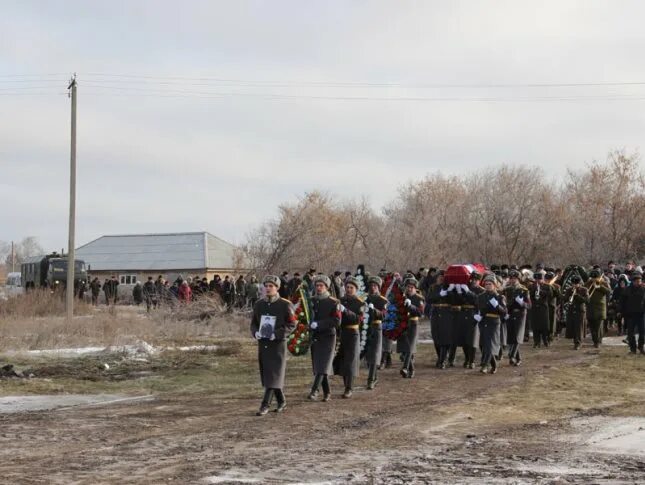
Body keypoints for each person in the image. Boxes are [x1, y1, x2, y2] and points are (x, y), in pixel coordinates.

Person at [250, 275, 297, 416]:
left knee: (273, 375)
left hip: (277, 345)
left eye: (271, 286)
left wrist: (276, 334)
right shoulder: (259, 304)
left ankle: (265, 405)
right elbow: (254, 323)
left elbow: (292, 324)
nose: (268, 288)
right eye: (266, 286)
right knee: (270, 375)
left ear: (277, 288)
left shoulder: (285, 304)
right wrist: (255, 333)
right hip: (264, 344)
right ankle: (281, 400)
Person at [308, 275, 341, 402]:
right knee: (319, 366)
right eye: (317, 285)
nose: (319, 288)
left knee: (323, 365)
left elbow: (337, 321)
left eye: (321, 285)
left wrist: (320, 324)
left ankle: (314, 390)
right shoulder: (311, 301)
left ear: (326, 287)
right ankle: (327, 392)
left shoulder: (334, 302)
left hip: (328, 337)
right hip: (316, 337)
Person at [337, 276, 365, 397]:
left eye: (351, 288)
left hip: (353, 333)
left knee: (351, 361)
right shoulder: (340, 300)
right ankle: (346, 386)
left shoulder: (360, 303)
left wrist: (345, 311)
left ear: (356, 289)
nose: (348, 289)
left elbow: (358, 319)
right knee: (343, 360)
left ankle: (349, 388)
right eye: (347, 287)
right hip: (342, 333)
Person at [474, 274, 507, 374]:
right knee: (483, 345)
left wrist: (497, 306)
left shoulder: (499, 297)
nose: (488, 286)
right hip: (483, 322)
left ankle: (484, 365)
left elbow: (504, 312)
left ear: (495, 285)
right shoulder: (480, 296)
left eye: (490, 284)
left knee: (489, 345)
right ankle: (494, 364)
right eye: (486, 284)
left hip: (494, 322)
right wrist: (477, 316)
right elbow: (477, 308)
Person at [502, 270, 531, 366]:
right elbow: (505, 302)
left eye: (515, 278)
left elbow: (529, 305)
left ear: (518, 279)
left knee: (517, 336)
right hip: (510, 314)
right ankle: (518, 358)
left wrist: (522, 303)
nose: (513, 280)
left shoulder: (524, 290)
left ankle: (511, 355)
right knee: (511, 336)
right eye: (511, 278)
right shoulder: (507, 289)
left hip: (520, 314)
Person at [365, 276, 388, 389]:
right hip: (366, 327)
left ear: (378, 287)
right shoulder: (364, 298)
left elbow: (384, 315)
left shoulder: (382, 300)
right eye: (371, 286)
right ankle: (374, 376)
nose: (373, 288)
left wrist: (374, 310)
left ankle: (370, 380)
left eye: (375, 286)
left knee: (374, 354)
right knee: (368, 355)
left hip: (376, 326)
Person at [399, 277, 425, 378]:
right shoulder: (402, 297)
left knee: (409, 347)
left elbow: (421, 313)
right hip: (402, 324)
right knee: (403, 348)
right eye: (408, 287)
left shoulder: (419, 298)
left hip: (413, 324)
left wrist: (411, 306)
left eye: (411, 287)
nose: (409, 289)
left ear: (415, 288)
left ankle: (405, 368)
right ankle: (411, 369)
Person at [428, 272, 452, 369]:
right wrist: (439, 295)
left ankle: (443, 360)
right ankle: (440, 357)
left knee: (445, 336)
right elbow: (429, 299)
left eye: (443, 277)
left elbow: (453, 300)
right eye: (439, 277)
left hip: (446, 313)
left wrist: (450, 292)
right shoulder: (433, 287)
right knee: (436, 336)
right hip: (435, 313)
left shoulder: (449, 287)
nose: (441, 279)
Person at [461, 272, 484, 369]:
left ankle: (472, 360)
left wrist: (469, 293)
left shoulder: (481, 290)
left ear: (479, 281)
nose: (474, 281)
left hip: (474, 314)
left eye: (476, 280)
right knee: (464, 339)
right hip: (463, 314)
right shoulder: (465, 288)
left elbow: (478, 301)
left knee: (473, 339)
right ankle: (466, 358)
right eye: (472, 279)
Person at [585, 268, 612, 348]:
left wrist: (599, 286)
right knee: (592, 326)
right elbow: (584, 291)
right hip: (590, 307)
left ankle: (597, 341)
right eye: (593, 277)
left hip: (600, 307)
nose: (594, 279)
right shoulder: (588, 283)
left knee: (598, 326)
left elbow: (608, 291)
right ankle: (595, 340)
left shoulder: (604, 283)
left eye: (596, 277)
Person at [622, 271, 645, 355]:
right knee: (631, 333)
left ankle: (641, 347)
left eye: (640, 281)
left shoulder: (643, 289)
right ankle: (633, 349)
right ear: (633, 281)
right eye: (637, 281)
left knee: (642, 332)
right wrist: (621, 312)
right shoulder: (627, 290)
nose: (639, 283)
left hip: (641, 314)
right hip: (630, 314)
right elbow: (623, 302)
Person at [528, 272, 553, 348]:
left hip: (543, 307)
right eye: (536, 279)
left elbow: (550, 295)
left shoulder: (547, 286)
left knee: (544, 325)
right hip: (535, 307)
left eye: (539, 279)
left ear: (542, 279)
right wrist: (534, 289)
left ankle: (545, 341)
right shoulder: (532, 286)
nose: (538, 280)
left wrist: (541, 291)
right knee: (535, 326)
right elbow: (529, 296)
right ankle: (536, 342)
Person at [564, 276, 589, 350]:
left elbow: (586, 300)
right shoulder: (569, 290)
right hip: (571, 310)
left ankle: (578, 343)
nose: (574, 285)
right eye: (573, 284)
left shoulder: (584, 290)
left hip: (580, 311)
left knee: (579, 328)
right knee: (573, 327)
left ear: (579, 283)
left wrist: (576, 296)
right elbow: (565, 299)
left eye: (576, 284)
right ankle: (575, 341)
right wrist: (568, 297)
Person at [544, 272, 561, 342]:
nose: (548, 280)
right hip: (544, 305)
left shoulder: (557, 286)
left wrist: (553, 288)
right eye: (547, 279)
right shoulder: (543, 285)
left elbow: (559, 296)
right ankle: (545, 335)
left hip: (552, 305)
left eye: (550, 279)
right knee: (545, 321)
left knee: (552, 321)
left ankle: (551, 335)